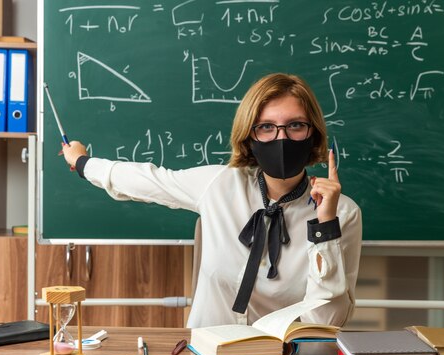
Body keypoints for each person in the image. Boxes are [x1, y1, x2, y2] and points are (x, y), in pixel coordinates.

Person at [61, 73, 362, 328]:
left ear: (314, 134)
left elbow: (326, 322)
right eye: (267, 127)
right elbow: (147, 180)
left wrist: (325, 227)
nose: (281, 138)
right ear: (249, 137)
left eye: (295, 125)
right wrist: (84, 163)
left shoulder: (342, 213)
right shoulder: (220, 184)